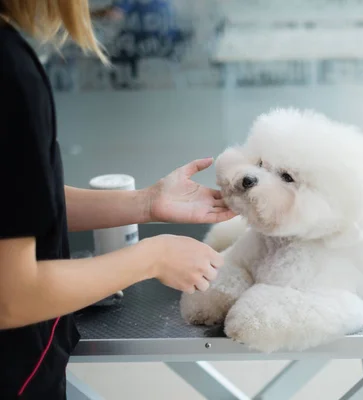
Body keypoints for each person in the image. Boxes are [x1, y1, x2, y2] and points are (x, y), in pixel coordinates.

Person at [0, 1, 235, 398]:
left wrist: (146, 204)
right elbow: (12, 295)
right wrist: (152, 257)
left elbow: (16, 206)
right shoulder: (9, 75)